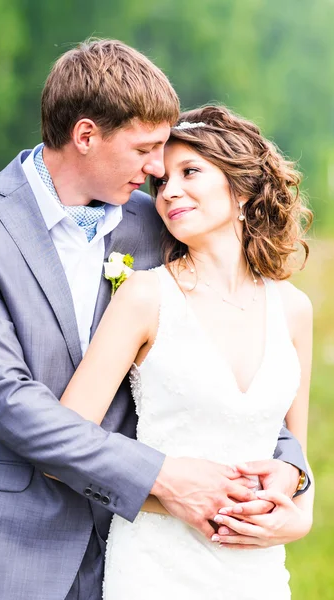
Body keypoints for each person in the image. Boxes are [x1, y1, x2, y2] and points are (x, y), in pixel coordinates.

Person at [0, 40, 310, 600]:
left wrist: (293, 471)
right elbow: (5, 397)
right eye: (147, 149)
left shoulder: (161, 224)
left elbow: (224, 371)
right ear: (85, 136)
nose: (158, 171)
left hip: (146, 539)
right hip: (15, 534)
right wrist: (161, 477)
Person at [58, 105, 314, 598]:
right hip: (156, 568)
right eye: (161, 182)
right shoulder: (144, 297)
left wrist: (297, 522)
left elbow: (296, 460)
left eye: (190, 172)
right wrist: (172, 497)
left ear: (241, 189)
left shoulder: (294, 309)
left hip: (256, 571)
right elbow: (68, 439)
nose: (169, 191)